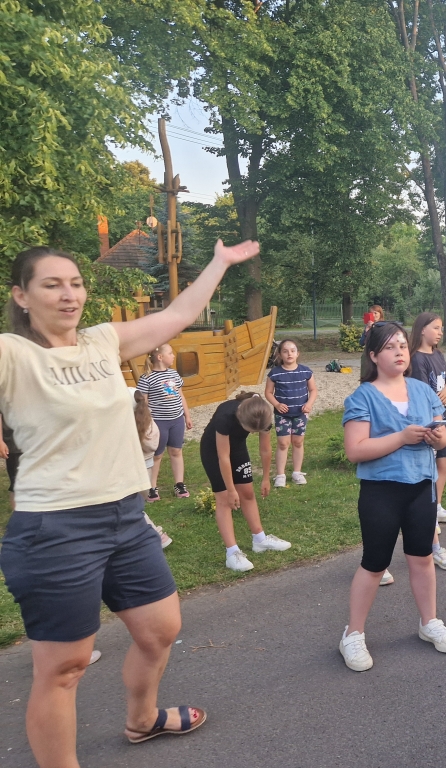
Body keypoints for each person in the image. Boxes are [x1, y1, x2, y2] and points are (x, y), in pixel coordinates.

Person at [0, 239, 258, 764]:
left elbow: (178, 314)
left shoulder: (101, 341)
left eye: (75, 283)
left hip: (125, 515)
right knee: (64, 667)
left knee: (161, 631)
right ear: (21, 296)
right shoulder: (12, 353)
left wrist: (220, 263)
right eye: (52, 285)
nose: (69, 295)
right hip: (54, 527)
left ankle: (142, 719)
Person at [339, 321, 446, 672]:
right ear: (374, 356)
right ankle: (352, 634)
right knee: (375, 564)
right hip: (381, 492)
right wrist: (402, 437)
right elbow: (355, 450)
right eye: (390, 347)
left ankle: (429, 622)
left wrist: (438, 438)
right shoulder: (362, 397)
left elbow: (443, 434)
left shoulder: (421, 390)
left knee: (422, 558)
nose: (399, 352)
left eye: (403, 345)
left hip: (422, 488)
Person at [200, 393, 292, 571]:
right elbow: (223, 457)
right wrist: (231, 489)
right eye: (250, 430)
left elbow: (265, 450)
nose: (252, 433)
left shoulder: (262, 415)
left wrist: (266, 478)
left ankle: (260, 540)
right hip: (214, 451)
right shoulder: (225, 417)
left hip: (237, 447)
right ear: (240, 419)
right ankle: (232, 553)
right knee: (224, 499)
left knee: (248, 493)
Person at [409, 312, 446, 571]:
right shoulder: (416, 359)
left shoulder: (438, 354)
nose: (440, 332)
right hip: (430, 419)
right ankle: (431, 510)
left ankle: (436, 505)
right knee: (429, 469)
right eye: (436, 328)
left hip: (443, 416)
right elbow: (423, 392)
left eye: (441, 328)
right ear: (422, 330)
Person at [136, 343, 192, 501]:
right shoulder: (147, 378)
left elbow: (181, 396)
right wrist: (147, 424)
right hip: (158, 423)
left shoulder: (174, 374)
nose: (173, 356)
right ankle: (152, 487)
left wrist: (187, 416)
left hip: (177, 420)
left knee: (176, 451)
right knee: (156, 455)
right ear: (160, 357)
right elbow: (143, 404)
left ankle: (179, 484)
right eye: (170, 353)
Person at [265, 339, 318, 487]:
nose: (289, 354)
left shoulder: (306, 371)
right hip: (282, 415)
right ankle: (280, 475)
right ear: (280, 354)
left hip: (300, 414)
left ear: (297, 353)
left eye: (293, 351)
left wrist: (309, 404)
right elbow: (268, 392)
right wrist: (277, 404)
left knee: (298, 442)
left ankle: (297, 473)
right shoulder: (275, 373)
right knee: (283, 443)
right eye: (285, 351)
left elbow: (313, 390)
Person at [132, 390, 173, 548]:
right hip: (147, 469)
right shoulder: (149, 421)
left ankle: (157, 536)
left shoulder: (130, 426)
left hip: (135, 470)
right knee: (135, 507)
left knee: (131, 508)